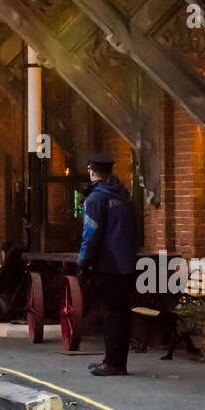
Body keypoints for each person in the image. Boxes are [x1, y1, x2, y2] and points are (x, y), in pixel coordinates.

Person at [76, 152, 138, 376]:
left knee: (112, 314)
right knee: (121, 313)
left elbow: (90, 233)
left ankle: (113, 363)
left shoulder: (94, 200)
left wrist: (83, 260)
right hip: (126, 263)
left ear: (92, 171)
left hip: (107, 264)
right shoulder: (124, 196)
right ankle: (115, 359)